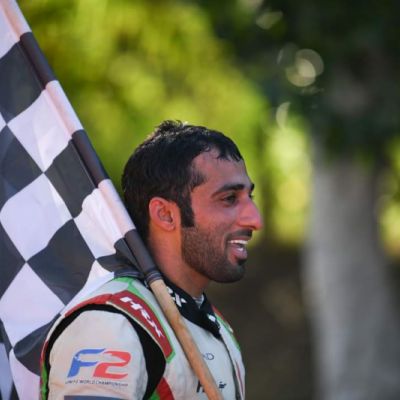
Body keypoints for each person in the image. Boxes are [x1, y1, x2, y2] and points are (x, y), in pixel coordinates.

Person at [40, 120, 263, 399]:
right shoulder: (110, 323)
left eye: (249, 196)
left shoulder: (213, 323)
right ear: (165, 214)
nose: (255, 219)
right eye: (229, 198)